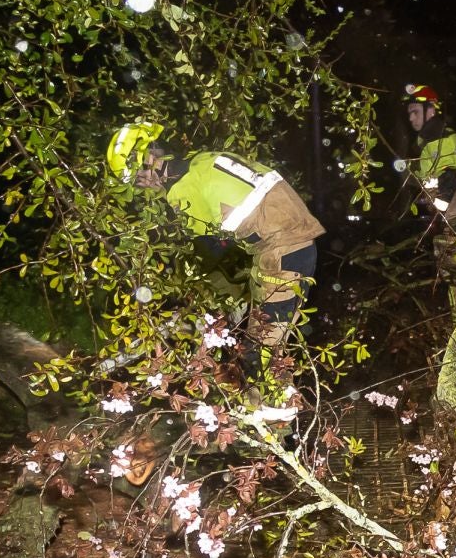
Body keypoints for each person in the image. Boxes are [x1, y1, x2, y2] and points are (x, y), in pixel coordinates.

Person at [105, 121, 325, 372]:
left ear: (149, 157)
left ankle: (261, 406)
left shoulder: (181, 192)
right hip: (293, 247)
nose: (141, 185)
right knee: (272, 347)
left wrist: (195, 296)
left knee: (257, 354)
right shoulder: (204, 161)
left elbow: (210, 251)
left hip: (282, 254)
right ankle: (280, 405)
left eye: (136, 177)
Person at [404, 83, 456, 313]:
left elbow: (448, 178)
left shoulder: (439, 141)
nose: (411, 118)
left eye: (415, 111)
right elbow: (434, 179)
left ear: (431, 111)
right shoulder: (434, 141)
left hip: (455, 220)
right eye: (409, 113)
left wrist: (437, 211)